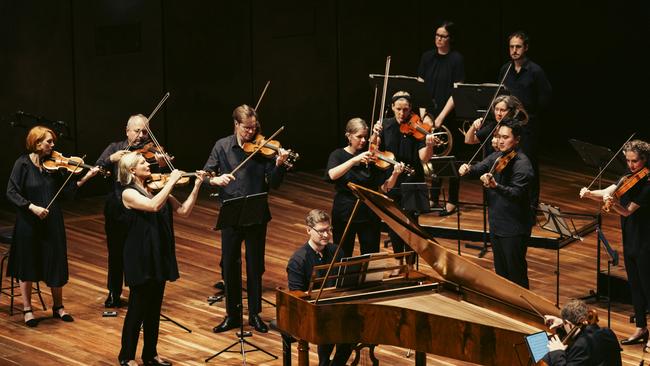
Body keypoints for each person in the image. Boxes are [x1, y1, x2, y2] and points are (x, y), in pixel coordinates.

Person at [204, 104, 289, 334]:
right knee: (230, 267)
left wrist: (279, 165)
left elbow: (274, 183)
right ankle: (232, 315)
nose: (251, 133)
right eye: (247, 128)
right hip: (231, 214)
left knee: (255, 267)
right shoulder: (221, 146)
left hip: (256, 213)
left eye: (254, 128)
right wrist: (215, 180)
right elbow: (206, 176)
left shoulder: (263, 150)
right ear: (236, 125)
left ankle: (254, 314)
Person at [116, 152, 206, 366]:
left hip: (159, 252)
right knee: (137, 308)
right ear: (131, 170)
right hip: (140, 255)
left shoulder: (156, 187)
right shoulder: (128, 193)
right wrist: (172, 181)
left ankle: (150, 355)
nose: (148, 164)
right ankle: (126, 356)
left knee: (155, 308)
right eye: (142, 163)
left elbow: (183, 211)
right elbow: (154, 206)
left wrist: (196, 186)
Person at [6, 126, 100, 327]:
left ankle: (58, 307)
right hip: (28, 221)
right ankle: (28, 309)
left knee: (55, 260)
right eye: (49, 141)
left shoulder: (53, 167)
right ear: (37, 142)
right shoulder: (22, 164)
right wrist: (32, 207)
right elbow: (11, 192)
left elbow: (67, 192)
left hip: (52, 220)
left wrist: (86, 177)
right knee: (28, 263)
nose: (53, 145)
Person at [579, 139, 650, 349]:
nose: (631, 165)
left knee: (648, 288)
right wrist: (591, 193)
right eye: (628, 161)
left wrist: (612, 203)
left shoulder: (647, 184)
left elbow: (627, 211)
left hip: (646, 242)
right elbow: (610, 190)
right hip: (630, 240)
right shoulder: (627, 178)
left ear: (644, 160)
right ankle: (640, 328)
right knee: (635, 287)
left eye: (635, 161)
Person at [458, 119, 534, 288]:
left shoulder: (522, 164)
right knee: (501, 275)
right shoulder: (497, 156)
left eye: (505, 137)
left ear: (517, 140)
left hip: (514, 228)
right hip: (497, 224)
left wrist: (496, 186)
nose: (500, 141)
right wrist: (467, 169)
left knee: (516, 276)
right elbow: (479, 168)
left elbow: (516, 193)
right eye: (498, 136)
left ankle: (524, 311)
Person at [88, 114, 151, 308]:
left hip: (140, 208)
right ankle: (114, 293)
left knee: (138, 253)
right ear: (127, 131)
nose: (141, 136)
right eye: (137, 131)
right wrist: (110, 159)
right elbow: (97, 167)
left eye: (145, 131)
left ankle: (138, 292)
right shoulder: (115, 148)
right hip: (116, 207)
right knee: (116, 253)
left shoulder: (148, 151)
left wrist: (161, 162)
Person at [372, 91, 438, 266]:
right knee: (394, 222)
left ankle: (410, 264)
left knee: (412, 224)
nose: (402, 114)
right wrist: (375, 135)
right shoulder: (384, 125)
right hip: (391, 178)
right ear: (392, 108)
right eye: (399, 109)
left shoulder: (417, 127)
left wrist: (429, 145)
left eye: (406, 110)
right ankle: (399, 261)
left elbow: (424, 158)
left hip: (412, 178)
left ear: (411, 109)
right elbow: (375, 151)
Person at [326, 117, 404, 257]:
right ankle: (343, 280)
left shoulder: (373, 158)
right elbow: (332, 175)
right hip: (345, 212)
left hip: (369, 213)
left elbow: (384, 188)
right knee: (343, 254)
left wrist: (395, 175)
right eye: (359, 137)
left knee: (370, 255)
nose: (363, 140)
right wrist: (354, 160)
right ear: (349, 136)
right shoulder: (338, 155)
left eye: (365, 137)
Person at [286, 209, 352, 366]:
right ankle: (324, 362)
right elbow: (297, 297)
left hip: (334, 307)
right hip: (309, 311)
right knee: (333, 326)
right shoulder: (298, 260)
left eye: (329, 230)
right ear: (308, 230)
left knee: (354, 328)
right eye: (321, 231)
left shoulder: (336, 251)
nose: (326, 235)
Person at [498, 31, 552, 210]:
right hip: (508, 126)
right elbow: (500, 95)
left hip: (528, 126)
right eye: (511, 47)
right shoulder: (505, 69)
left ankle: (531, 206)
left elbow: (545, 98)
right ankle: (512, 202)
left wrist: (529, 114)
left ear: (526, 48)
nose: (514, 50)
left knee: (528, 166)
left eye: (518, 46)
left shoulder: (535, 71)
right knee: (507, 162)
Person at [417, 20, 465, 216]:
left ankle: (452, 200)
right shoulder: (427, 57)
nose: (439, 39)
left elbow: (456, 92)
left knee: (451, 158)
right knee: (432, 155)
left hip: (450, 115)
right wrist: (424, 116)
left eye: (443, 36)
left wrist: (441, 118)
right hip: (428, 115)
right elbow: (420, 87)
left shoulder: (456, 59)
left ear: (450, 38)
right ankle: (433, 196)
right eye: (437, 35)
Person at [542, 299, 622, 365]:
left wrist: (557, 351)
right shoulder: (608, 332)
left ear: (568, 323)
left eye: (565, 323)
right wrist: (563, 324)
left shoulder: (581, 345)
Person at [464, 95, 529, 157]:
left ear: (511, 111)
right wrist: (473, 127)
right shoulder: (492, 127)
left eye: (502, 110)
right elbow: (468, 140)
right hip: (488, 166)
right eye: (496, 109)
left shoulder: (517, 129)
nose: (498, 113)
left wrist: (497, 147)